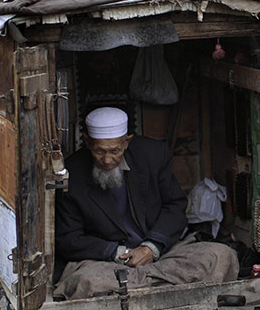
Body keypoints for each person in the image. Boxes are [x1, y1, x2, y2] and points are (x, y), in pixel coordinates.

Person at [53, 107, 238, 300]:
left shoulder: (153, 155)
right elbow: (69, 238)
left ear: (127, 142)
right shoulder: (71, 174)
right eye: (99, 151)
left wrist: (152, 247)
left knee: (220, 256)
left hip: (161, 255)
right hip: (107, 263)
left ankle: (140, 288)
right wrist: (116, 253)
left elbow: (174, 206)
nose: (107, 160)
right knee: (88, 282)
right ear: (87, 142)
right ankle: (161, 288)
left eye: (114, 151)